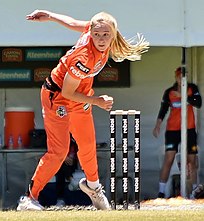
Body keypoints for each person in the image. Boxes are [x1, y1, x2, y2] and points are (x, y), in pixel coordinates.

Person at [17, 9, 149, 211]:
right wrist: (97, 100)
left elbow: (71, 22)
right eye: (97, 35)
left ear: (112, 33)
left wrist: (50, 16)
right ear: (92, 33)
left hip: (80, 95)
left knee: (87, 144)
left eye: (105, 35)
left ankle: (93, 187)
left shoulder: (97, 29)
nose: (101, 39)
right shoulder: (84, 56)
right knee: (59, 151)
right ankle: (29, 198)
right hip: (58, 97)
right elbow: (67, 92)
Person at [153, 67, 202, 198]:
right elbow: (163, 109)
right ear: (176, 77)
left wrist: (184, 96)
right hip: (173, 130)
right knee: (169, 158)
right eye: (180, 77)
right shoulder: (169, 92)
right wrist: (158, 125)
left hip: (189, 129)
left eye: (184, 76)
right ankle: (161, 192)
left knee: (192, 160)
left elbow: (198, 103)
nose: (182, 79)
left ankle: (193, 191)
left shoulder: (192, 88)